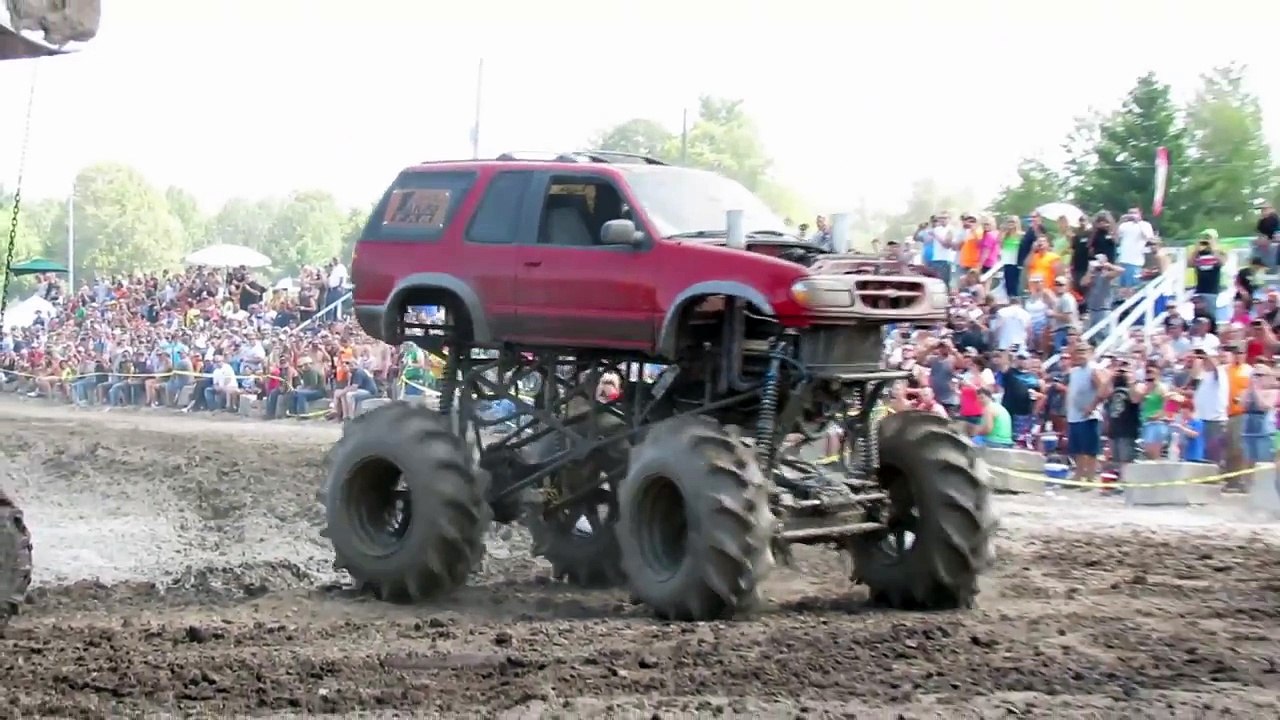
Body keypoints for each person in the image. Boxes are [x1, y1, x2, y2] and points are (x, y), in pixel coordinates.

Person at [1066, 342, 1106, 485]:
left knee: (1090, 450)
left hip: (1089, 416)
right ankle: (1079, 475)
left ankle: (1090, 477)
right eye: (1077, 351)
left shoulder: (1094, 369)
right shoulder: (1075, 372)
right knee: (1077, 449)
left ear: (1090, 353)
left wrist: (1092, 406)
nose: (1080, 355)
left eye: (1083, 351)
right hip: (1074, 415)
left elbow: (1104, 388)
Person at [1116, 207, 1155, 289]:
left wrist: (1138, 222)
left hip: (1135, 261)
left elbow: (1149, 237)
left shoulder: (1145, 225)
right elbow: (1115, 237)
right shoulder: (1124, 225)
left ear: (1140, 214)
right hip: (1123, 261)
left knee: (1133, 287)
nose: (1132, 215)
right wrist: (1120, 221)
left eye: (1134, 213)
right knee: (1122, 288)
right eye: (1130, 213)